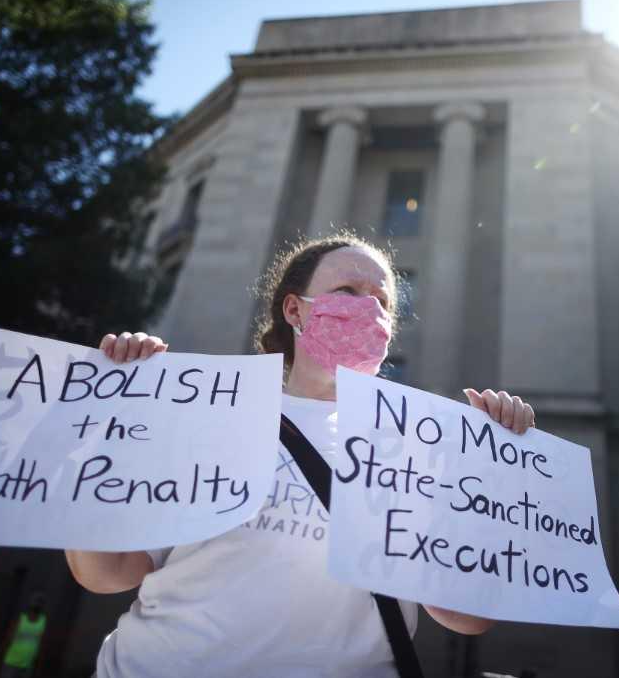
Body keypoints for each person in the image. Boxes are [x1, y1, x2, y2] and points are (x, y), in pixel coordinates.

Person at [65, 234, 537, 677]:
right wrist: (106, 423)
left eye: (383, 301)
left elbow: (465, 617)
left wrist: (491, 467)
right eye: (348, 289)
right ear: (295, 309)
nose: (367, 308)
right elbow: (108, 573)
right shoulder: (206, 411)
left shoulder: (421, 446)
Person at [0, 592, 47, 678]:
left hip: (27, 664)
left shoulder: (42, 622)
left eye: (39, 603)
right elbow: (9, 637)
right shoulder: (21, 619)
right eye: (35, 603)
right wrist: (1, 653)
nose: (36, 606)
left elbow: (42, 643)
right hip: (11, 661)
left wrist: (38, 662)